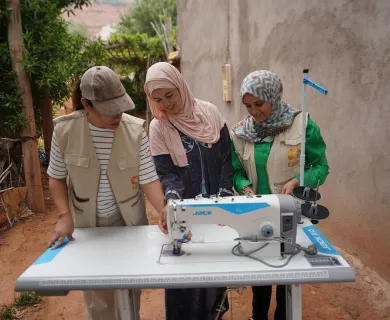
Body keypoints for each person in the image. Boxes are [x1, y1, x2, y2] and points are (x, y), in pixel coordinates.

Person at [47, 66, 166, 320]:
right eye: (109, 110)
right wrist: (63, 215)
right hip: (87, 226)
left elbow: (148, 179)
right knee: (98, 299)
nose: (117, 116)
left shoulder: (135, 131)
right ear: (86, 104)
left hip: (129, 223)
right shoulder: (64, 131)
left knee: (129, 295)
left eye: (120, 107)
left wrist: (165, 210)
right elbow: (56, 177)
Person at [230, 70, 329, 320]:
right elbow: (235, 171)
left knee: (287, 275)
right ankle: (258, 315)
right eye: (248, 105)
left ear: (273, 97)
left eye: (259, 104)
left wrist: (299, 181)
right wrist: (243, 186)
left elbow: (321, 167)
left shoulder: (302, 124)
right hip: (258, 213)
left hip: (291, 212)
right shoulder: (241, 132)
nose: (254, 111)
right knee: (261, 273)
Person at [144, 62, 233, 320]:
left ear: (180, 86)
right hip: (185, 212)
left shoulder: (210, 113)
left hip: (218, 210)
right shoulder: (158, 127)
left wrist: (225, 196)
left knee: (215, 269)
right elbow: (167, 172)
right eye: (157, 99)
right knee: (184, 275)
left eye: (170, 95)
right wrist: (171, 200)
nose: (166, 104)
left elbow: (227, 157)